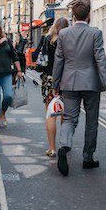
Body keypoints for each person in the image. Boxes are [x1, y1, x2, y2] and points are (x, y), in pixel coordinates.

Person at [52, 0, 106, 176]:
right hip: (91, 84)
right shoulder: (95, 33)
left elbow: (59, 61)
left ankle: (64, 146)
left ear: (73, 16)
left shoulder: (63, 34)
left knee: (69, 119)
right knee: (91, 120)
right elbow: (100, 59)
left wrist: (55, 84)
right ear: (89, 15)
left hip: (69, 82)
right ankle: (87, 158)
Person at [33, 17, 69, 157]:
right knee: (66, 113)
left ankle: (52, 148)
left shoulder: (47, 40)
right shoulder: (68, 39)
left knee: (51, 112)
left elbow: (37, 56)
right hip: (67, 80)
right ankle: (64, 145)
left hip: (49, 79)